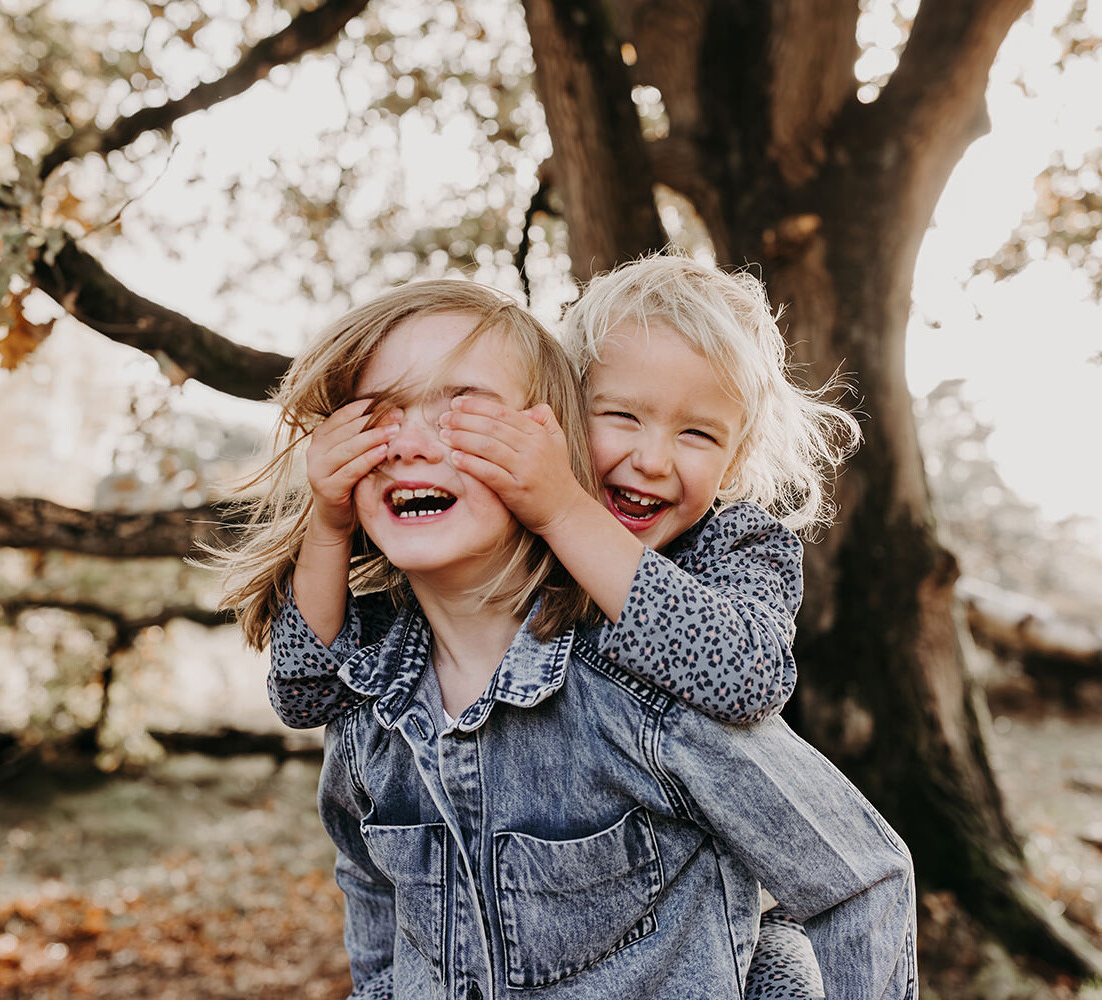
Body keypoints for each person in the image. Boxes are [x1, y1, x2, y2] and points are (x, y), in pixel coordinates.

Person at [221, 279, 916, 999]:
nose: (650, 459)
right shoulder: (388, 677)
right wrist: (328, 521)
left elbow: (748, 683)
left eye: (698, 433)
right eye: (618, 416)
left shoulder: (719, 570)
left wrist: (559, 506)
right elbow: (311, 704)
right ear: (563, 427)